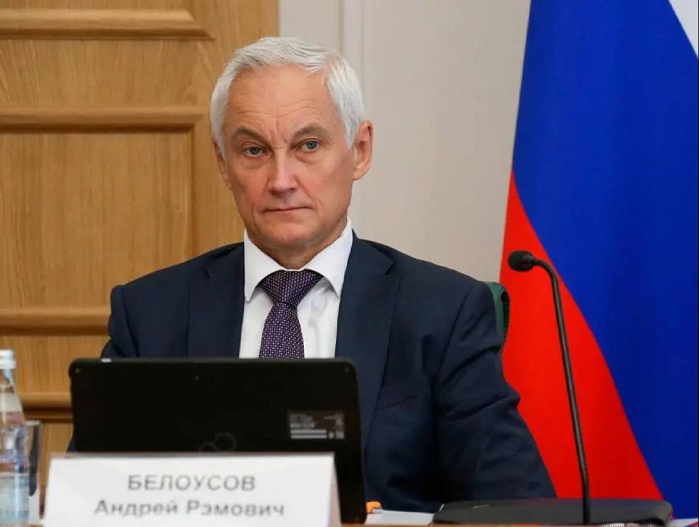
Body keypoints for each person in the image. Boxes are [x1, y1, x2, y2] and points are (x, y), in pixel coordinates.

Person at [98, 36, 555, 512]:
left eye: (308, 145)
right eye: (253, 150)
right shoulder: (150, 315)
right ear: (223, 164)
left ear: (360, 150)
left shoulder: (443, 313)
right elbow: (97, 499)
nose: (281, 180)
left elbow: (518, 507)